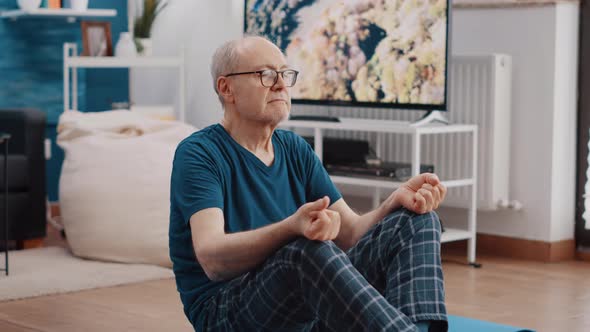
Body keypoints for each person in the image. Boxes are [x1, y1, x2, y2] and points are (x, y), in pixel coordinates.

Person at [169, 36, 448, 332]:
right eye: (265, 74)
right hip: (226, 312)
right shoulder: (198, 154)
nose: (280, 84)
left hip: (302, 308)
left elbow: (351, 232)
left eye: (284, 74)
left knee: (417, 221)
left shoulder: (294, 148)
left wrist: (394, 201)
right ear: (227, 88)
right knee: (304, 250)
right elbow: (213, 260)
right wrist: (292, 228)